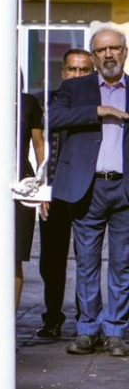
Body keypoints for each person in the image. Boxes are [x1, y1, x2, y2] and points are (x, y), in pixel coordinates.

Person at [46, 27, 129, 356]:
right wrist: (98, 111)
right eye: (102, 50)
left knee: (123, 264)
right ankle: (88, 329)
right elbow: (53, 117)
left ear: (124, 52)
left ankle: (116, 331)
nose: (109, 54)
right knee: (87, 263)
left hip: (124, 188)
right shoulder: (76, 88)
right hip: (88, 187)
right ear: (94, 56)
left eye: (115, 48)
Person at [35, 48, 94, 338]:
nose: (77, 75)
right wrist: (43, 188)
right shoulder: (48, 101)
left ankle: (86, 318)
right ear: (63, 72)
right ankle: (52, 317)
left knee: (87, 258)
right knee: (51, 260)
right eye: (73, 69)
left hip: (88, 191)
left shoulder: (97, 103)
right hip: (55, 191)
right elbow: (41, 147)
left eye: (84, 70)